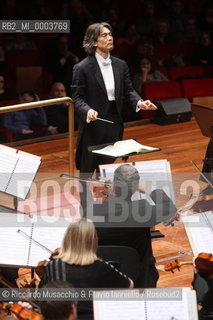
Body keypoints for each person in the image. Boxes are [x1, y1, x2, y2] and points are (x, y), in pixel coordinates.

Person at [71, 22, 157, 175]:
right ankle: (86, 199)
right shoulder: (82, 67)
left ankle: (105, 198)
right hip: (94, 124)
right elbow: (77, 99)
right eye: (104, 35)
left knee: (106, 169)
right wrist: (88, 110)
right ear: (94, 42)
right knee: (87, 170)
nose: (110, 38)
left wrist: (139, 102)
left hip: (114, 121)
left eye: (110, 34)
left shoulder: (120, 65)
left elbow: (128, 90)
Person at [87, 164, 177, 288]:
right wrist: (149, 188)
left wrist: (95, 195)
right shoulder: (141, 210)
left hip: (105, 278)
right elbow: (169, 208)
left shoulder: (93, 212)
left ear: (114, 185)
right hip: (141, 279)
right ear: (135, 188)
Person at [40, 218, 133, 317]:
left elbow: (42, 295)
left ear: (67, 239)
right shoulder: (101, 267)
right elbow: (129, 284)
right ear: (92, 241)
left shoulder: (53, 265)